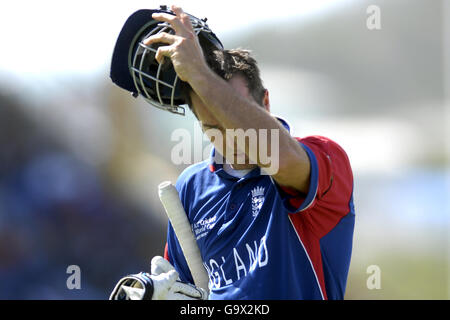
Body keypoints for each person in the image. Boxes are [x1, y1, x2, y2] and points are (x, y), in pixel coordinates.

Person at [111, 5, 355, 300]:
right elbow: (188, 293)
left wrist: (199, 73)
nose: (231, 138)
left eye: (236, 118)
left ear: (265, 102)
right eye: (213, 126)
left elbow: (278, 155)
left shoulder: (324, 157)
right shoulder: (191, 187)